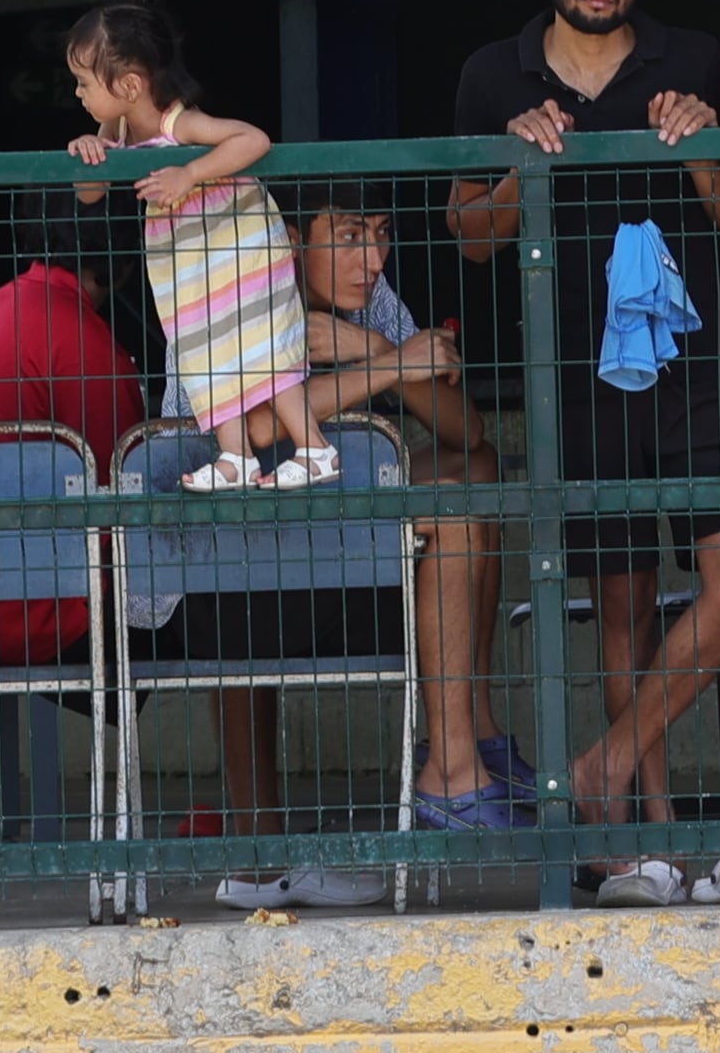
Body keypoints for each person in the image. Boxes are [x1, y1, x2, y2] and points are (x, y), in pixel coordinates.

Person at [450, 0, 720, 909]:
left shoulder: (694, 62)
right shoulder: (490, 73)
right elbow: (468, 236)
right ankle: (647, 839)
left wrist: (699, 147)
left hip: (699, 366)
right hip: (573, 380)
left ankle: (603, 768)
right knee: (624, 611)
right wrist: (519, 166)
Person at [166, 190, 532, 911]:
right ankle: (264, 847)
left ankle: (463, 744)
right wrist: (391, 368)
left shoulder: (371, 297)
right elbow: (257, 429)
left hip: (338, 553)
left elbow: (467, 430)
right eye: (349, 236)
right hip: (230, 568)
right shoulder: (232, 286)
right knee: (239, 590)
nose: (372, 259)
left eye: (382, 233)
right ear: (294, 242)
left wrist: (375, 348)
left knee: (474, 478)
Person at [61, 2, 338, 491]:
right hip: (188, 261)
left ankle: (315, 448)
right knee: (204, 349)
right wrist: (88, 149)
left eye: (84, 82)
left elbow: (252, 139)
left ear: (127, 86)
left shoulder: (179, 124)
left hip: (235, 245)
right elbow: (91, 194)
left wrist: (189, 172)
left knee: (260, 344)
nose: (78, 93)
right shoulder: (116, 130)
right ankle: (237, 458)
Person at [0, 215, 145, 671]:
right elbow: (128, 499)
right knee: (223, 609)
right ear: (127, 257)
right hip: (50, 622)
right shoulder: (87, 343)